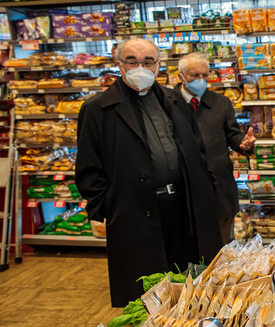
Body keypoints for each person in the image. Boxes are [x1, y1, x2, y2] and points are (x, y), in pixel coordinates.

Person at [75, 38, 222, 307]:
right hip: (135, 212)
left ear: (158, 66)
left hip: (181, 207)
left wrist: (205, 188)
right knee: (144, 293)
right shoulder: (98, 109)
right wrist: (111, 206)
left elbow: (197, 150)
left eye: (148, 61)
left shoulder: (173, 100)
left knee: (184, 287)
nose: (140, 67)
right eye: (132, 61)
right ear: (118, 64)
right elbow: (88, 170)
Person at [176, 53, 256, 244]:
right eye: (195, 76)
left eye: (205, 75)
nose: (202, 81)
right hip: (183, 185)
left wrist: (243, 143)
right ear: (180, 77)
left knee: (221, 245)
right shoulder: (168, 103)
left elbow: (232, 134)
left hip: (219, 186)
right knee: (187, 244)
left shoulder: (221, 102)